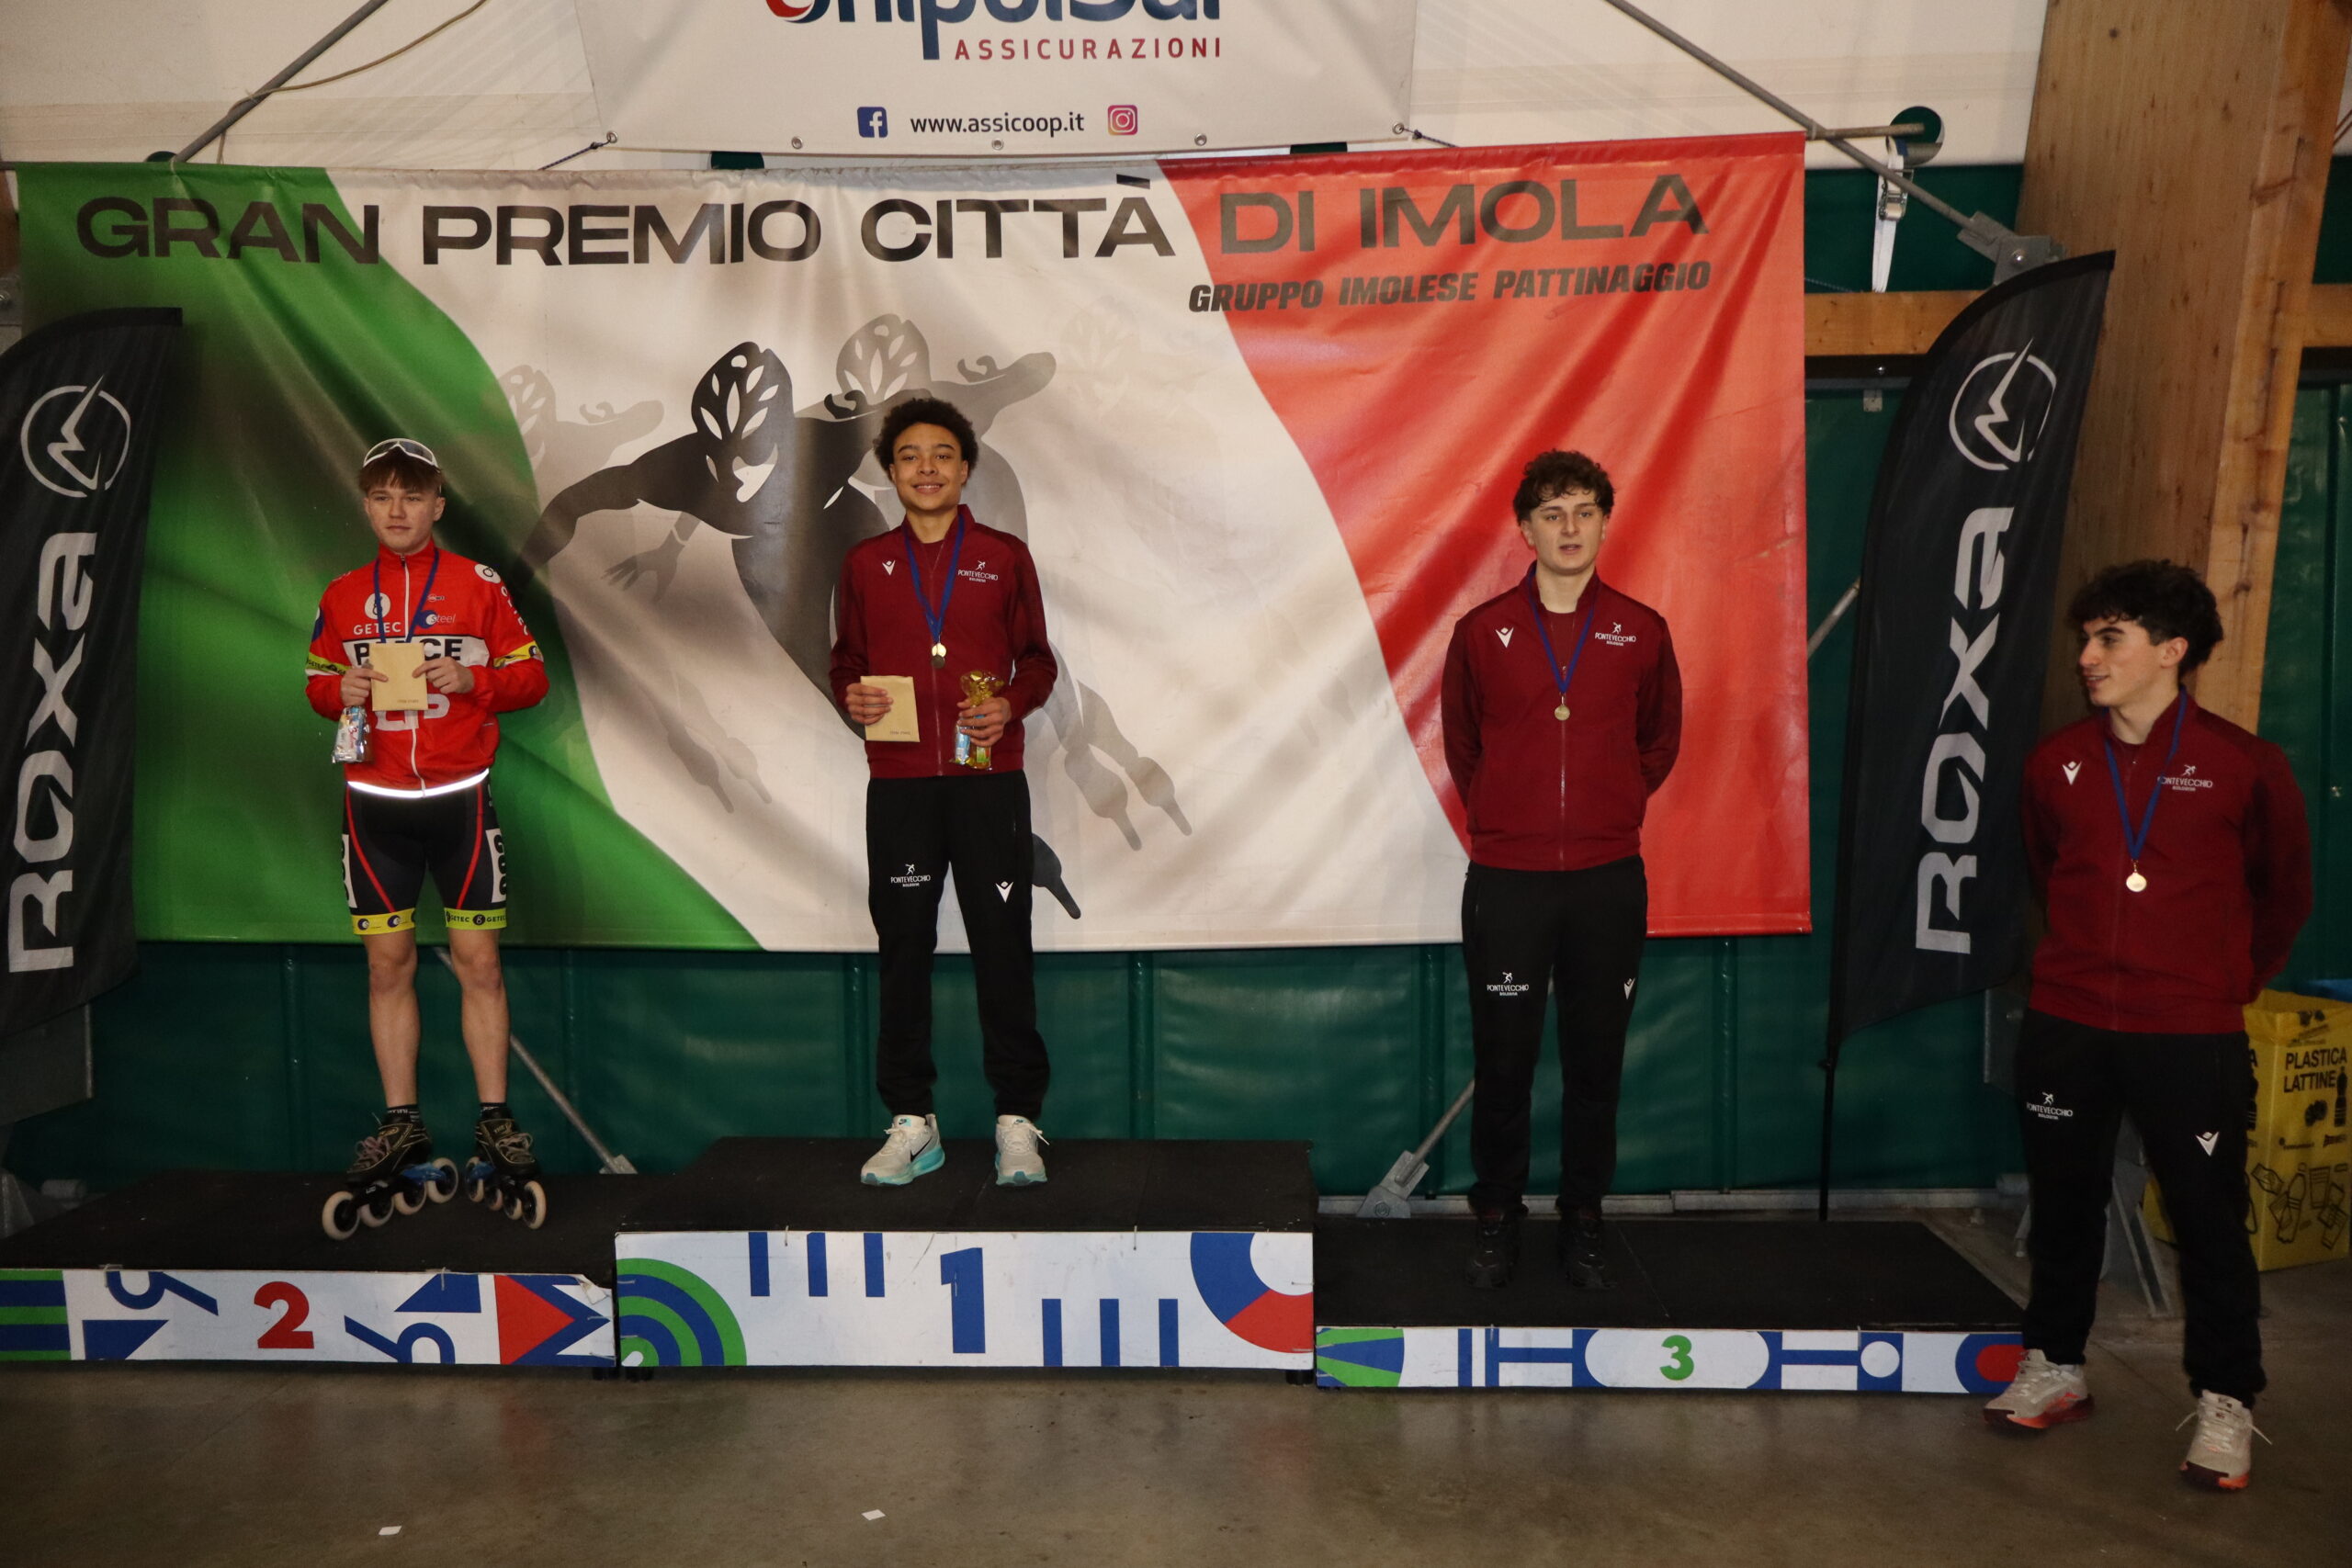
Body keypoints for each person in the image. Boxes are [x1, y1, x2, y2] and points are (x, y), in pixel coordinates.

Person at [1985, 560, 2311, 1492]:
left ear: (2171, 650)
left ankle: (2226, 1398)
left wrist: (2222, 984)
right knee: (2062, 1206)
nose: (2087, 657)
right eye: (2085, 639)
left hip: (2189, 1032)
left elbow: (2283, 892)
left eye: (2108, 638)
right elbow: (2049, 871)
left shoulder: (2245, 765)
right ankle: (2055, 1363)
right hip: (2068, 1020)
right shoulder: (2056, 764)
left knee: (2208, 1219)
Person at [1440, 450, 1681, 1289]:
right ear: (1525, 529)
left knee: (1595, 1061)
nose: (1569, 527)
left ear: (1605, 524)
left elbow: (1659, 740)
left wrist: (1611, 802)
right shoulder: (1482, 633)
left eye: (1584, 511)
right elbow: (1463, 745)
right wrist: (1510, 811)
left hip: (1607, 879)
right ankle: (1497, 1213)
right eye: (1552, 513)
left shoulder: (1642, 630)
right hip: (1508, 880)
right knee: (1504, 1060)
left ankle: (1583, 1214)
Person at [303, 438, 553, 1234]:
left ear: (438, 505)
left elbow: (533, 676)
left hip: (459, 800)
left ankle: (494, 1118)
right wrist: (338, 689)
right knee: (388, 966)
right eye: (382, 496)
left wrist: (475, 679)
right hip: (373, 804)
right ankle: (402, 1120)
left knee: (480, 963)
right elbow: (317, 683)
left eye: (412, 496)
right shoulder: (342, 594)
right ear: (365, 506)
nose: (397, 510)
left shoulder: (479, 584)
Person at [829, 397, 1058, 1188]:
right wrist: (852, 694)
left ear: (965, 469)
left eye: (941, 454)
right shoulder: (866, 563)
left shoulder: (1004, 556)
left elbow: (1038, 660)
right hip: (899, 787)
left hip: (988, 782)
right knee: (903, 950)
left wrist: (1010, 704)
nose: (926, 467)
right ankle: (911, 1120)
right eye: (909, 456)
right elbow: (846, 661)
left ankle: (1017, 1119)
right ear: (890, 473)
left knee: (1003, 947)